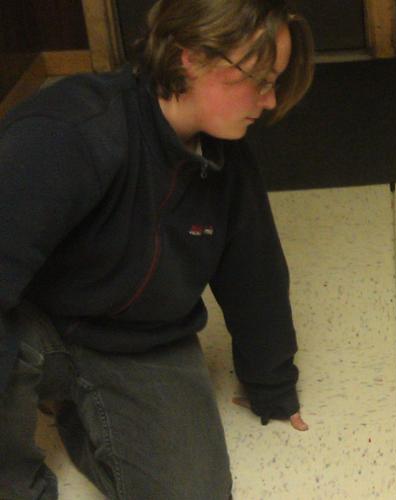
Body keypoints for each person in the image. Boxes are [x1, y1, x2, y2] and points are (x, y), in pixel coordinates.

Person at [0, 0, 314, 498]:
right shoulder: (71, 131)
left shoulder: (227, 162)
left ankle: (79, 412)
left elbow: (255, 277)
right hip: (31, 324)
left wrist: (271, 383)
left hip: (138, 342)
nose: (271, 100)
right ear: (192, 56)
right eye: (260, 80)